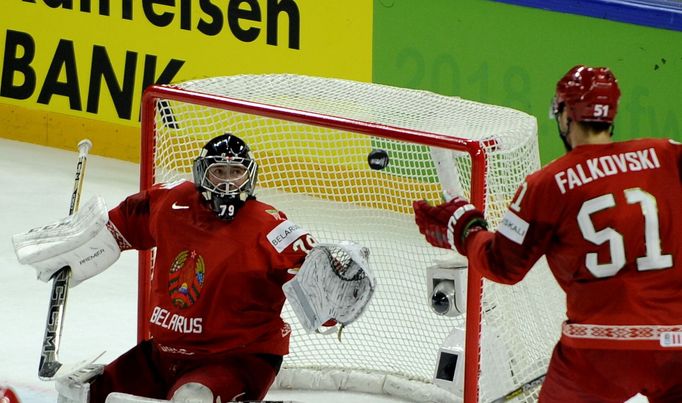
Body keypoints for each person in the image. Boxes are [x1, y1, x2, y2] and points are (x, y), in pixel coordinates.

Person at [13, 133, 374, 403]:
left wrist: (336, 302)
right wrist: (81, 249)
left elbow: (321, 303)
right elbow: (121, 225)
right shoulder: (171, 202)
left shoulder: (274, 230)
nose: (229, 181)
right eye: (220, 172)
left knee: (192, 398)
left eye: (237, 172)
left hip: (238, 358)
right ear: (203, 173)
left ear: (250, 177)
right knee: (76, 392)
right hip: (164, 353)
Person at [413, 65, 682, 402]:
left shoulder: (547, 184)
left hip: (597, 350)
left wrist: (466, 229)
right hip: (675, 345)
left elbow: (502, 265)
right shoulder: (668, 155)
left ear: (567, 115)